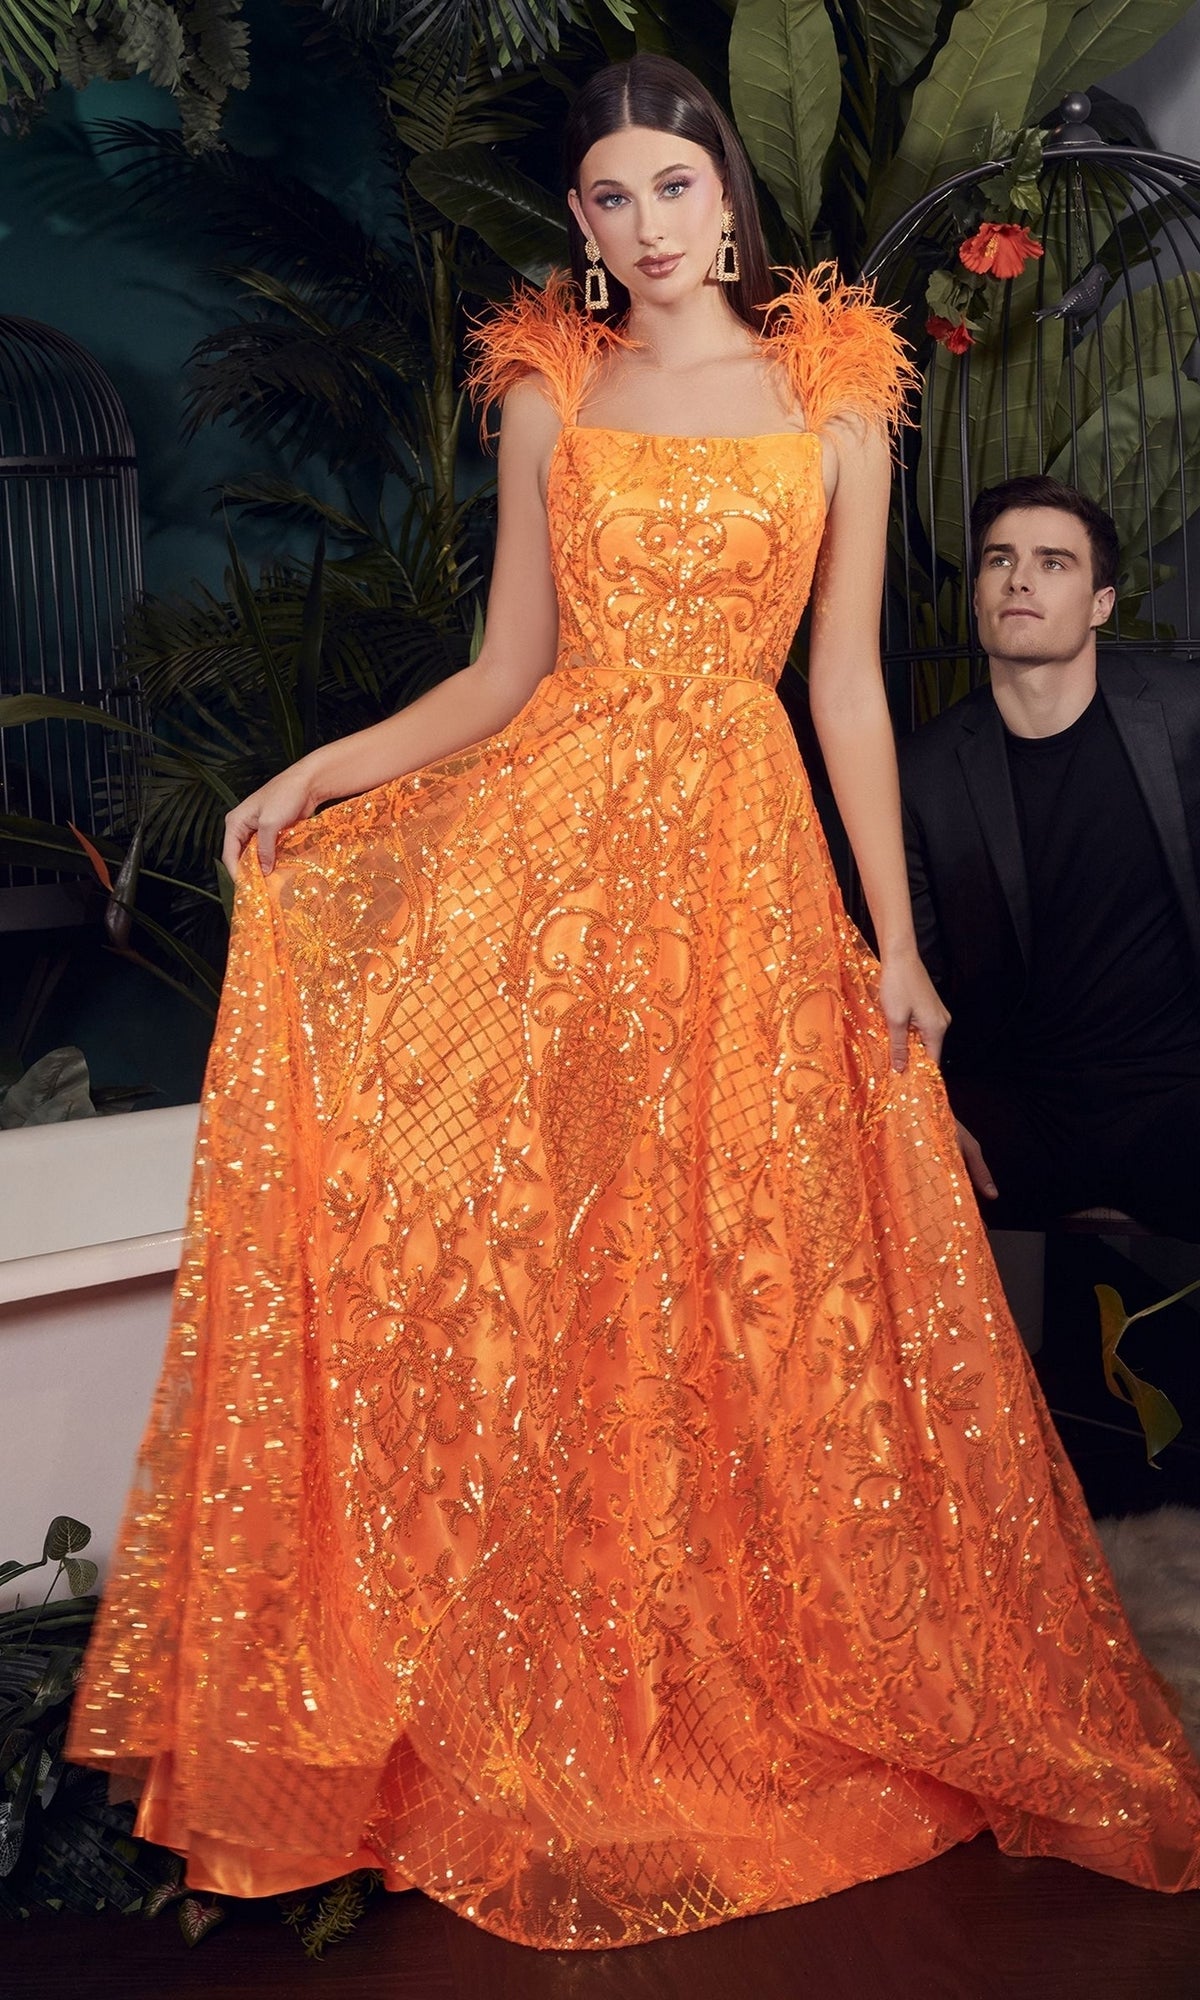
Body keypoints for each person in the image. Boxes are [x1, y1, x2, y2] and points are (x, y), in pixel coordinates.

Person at [68, 58, 1200, 1950]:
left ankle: (737, 1645)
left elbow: (845, 687)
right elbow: (507, 668)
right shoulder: (549, 387)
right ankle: (538, 1660)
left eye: (674, 185)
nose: (647, 223)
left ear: (725, 198)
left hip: (738, 867)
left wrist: (898, 943)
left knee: (737, 1257)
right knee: (553, 1255)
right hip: (553, 863)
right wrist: (321, 774)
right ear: (583, 225)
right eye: (610, 195)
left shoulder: (838, 394)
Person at [900, 475, 1200, 1241]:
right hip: (1020, 1109)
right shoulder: (922, 775)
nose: (1020, 579)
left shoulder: (1184, 716)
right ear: (977, 596)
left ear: (1101, 603)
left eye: (1053, 562)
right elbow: (906, 978)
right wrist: (923, 1114)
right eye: (999, 560)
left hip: (1177, 1093)